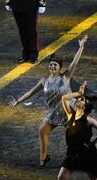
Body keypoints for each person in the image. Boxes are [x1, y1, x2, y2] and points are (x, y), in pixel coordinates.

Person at [9, 35, 89, 167]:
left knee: (74, 138)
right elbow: (30, 92)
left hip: (69, 112)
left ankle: (83, 158)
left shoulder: (65, 78)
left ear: (60, 68)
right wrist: (18, 101)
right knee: (42, 131)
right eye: (51, 64)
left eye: (55, 65)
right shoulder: (44, 81)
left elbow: (75, 62)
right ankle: (43, 159)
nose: (52, 67)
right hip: (55, 112)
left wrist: (81, 47)